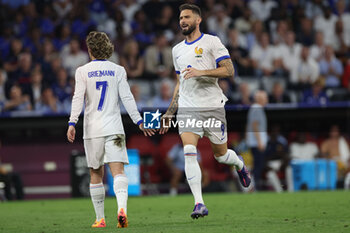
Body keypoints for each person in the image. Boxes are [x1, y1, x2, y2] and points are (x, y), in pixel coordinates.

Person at [159, 4, 251, 219]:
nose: (182, 20)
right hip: (188, 108)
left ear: (198, 20)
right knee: (189, 152)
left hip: (212, 106)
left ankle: (239, 164)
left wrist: (202, 72)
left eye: (187, 17)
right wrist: (169, 113)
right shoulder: (177, 50)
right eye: (181, 17)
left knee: (221, 155)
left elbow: (229, 70)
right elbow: (179, 83)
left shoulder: (212, 41)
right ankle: (199, 203)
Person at [66, 31, 154, 228]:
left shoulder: (82, 71)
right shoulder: (118, 70)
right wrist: (139, 121)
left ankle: (100, 219)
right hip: (114, 127)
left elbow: (77, 99)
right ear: (108, 48)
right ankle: (121, 209)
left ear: (89, 50)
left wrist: (72, 123)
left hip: (92, 129)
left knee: (96, 174)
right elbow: (128, 98)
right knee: (118, 172)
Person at [246, 90, 268, 190]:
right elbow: (254, 126)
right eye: (265, 98)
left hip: (257, 142)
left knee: (259, 165)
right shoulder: (256, 108)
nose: (267, 100)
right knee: (257, 166)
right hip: (256, 143)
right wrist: (260, 142)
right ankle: (254, 186)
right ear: (259, 99)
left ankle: (255, 185)